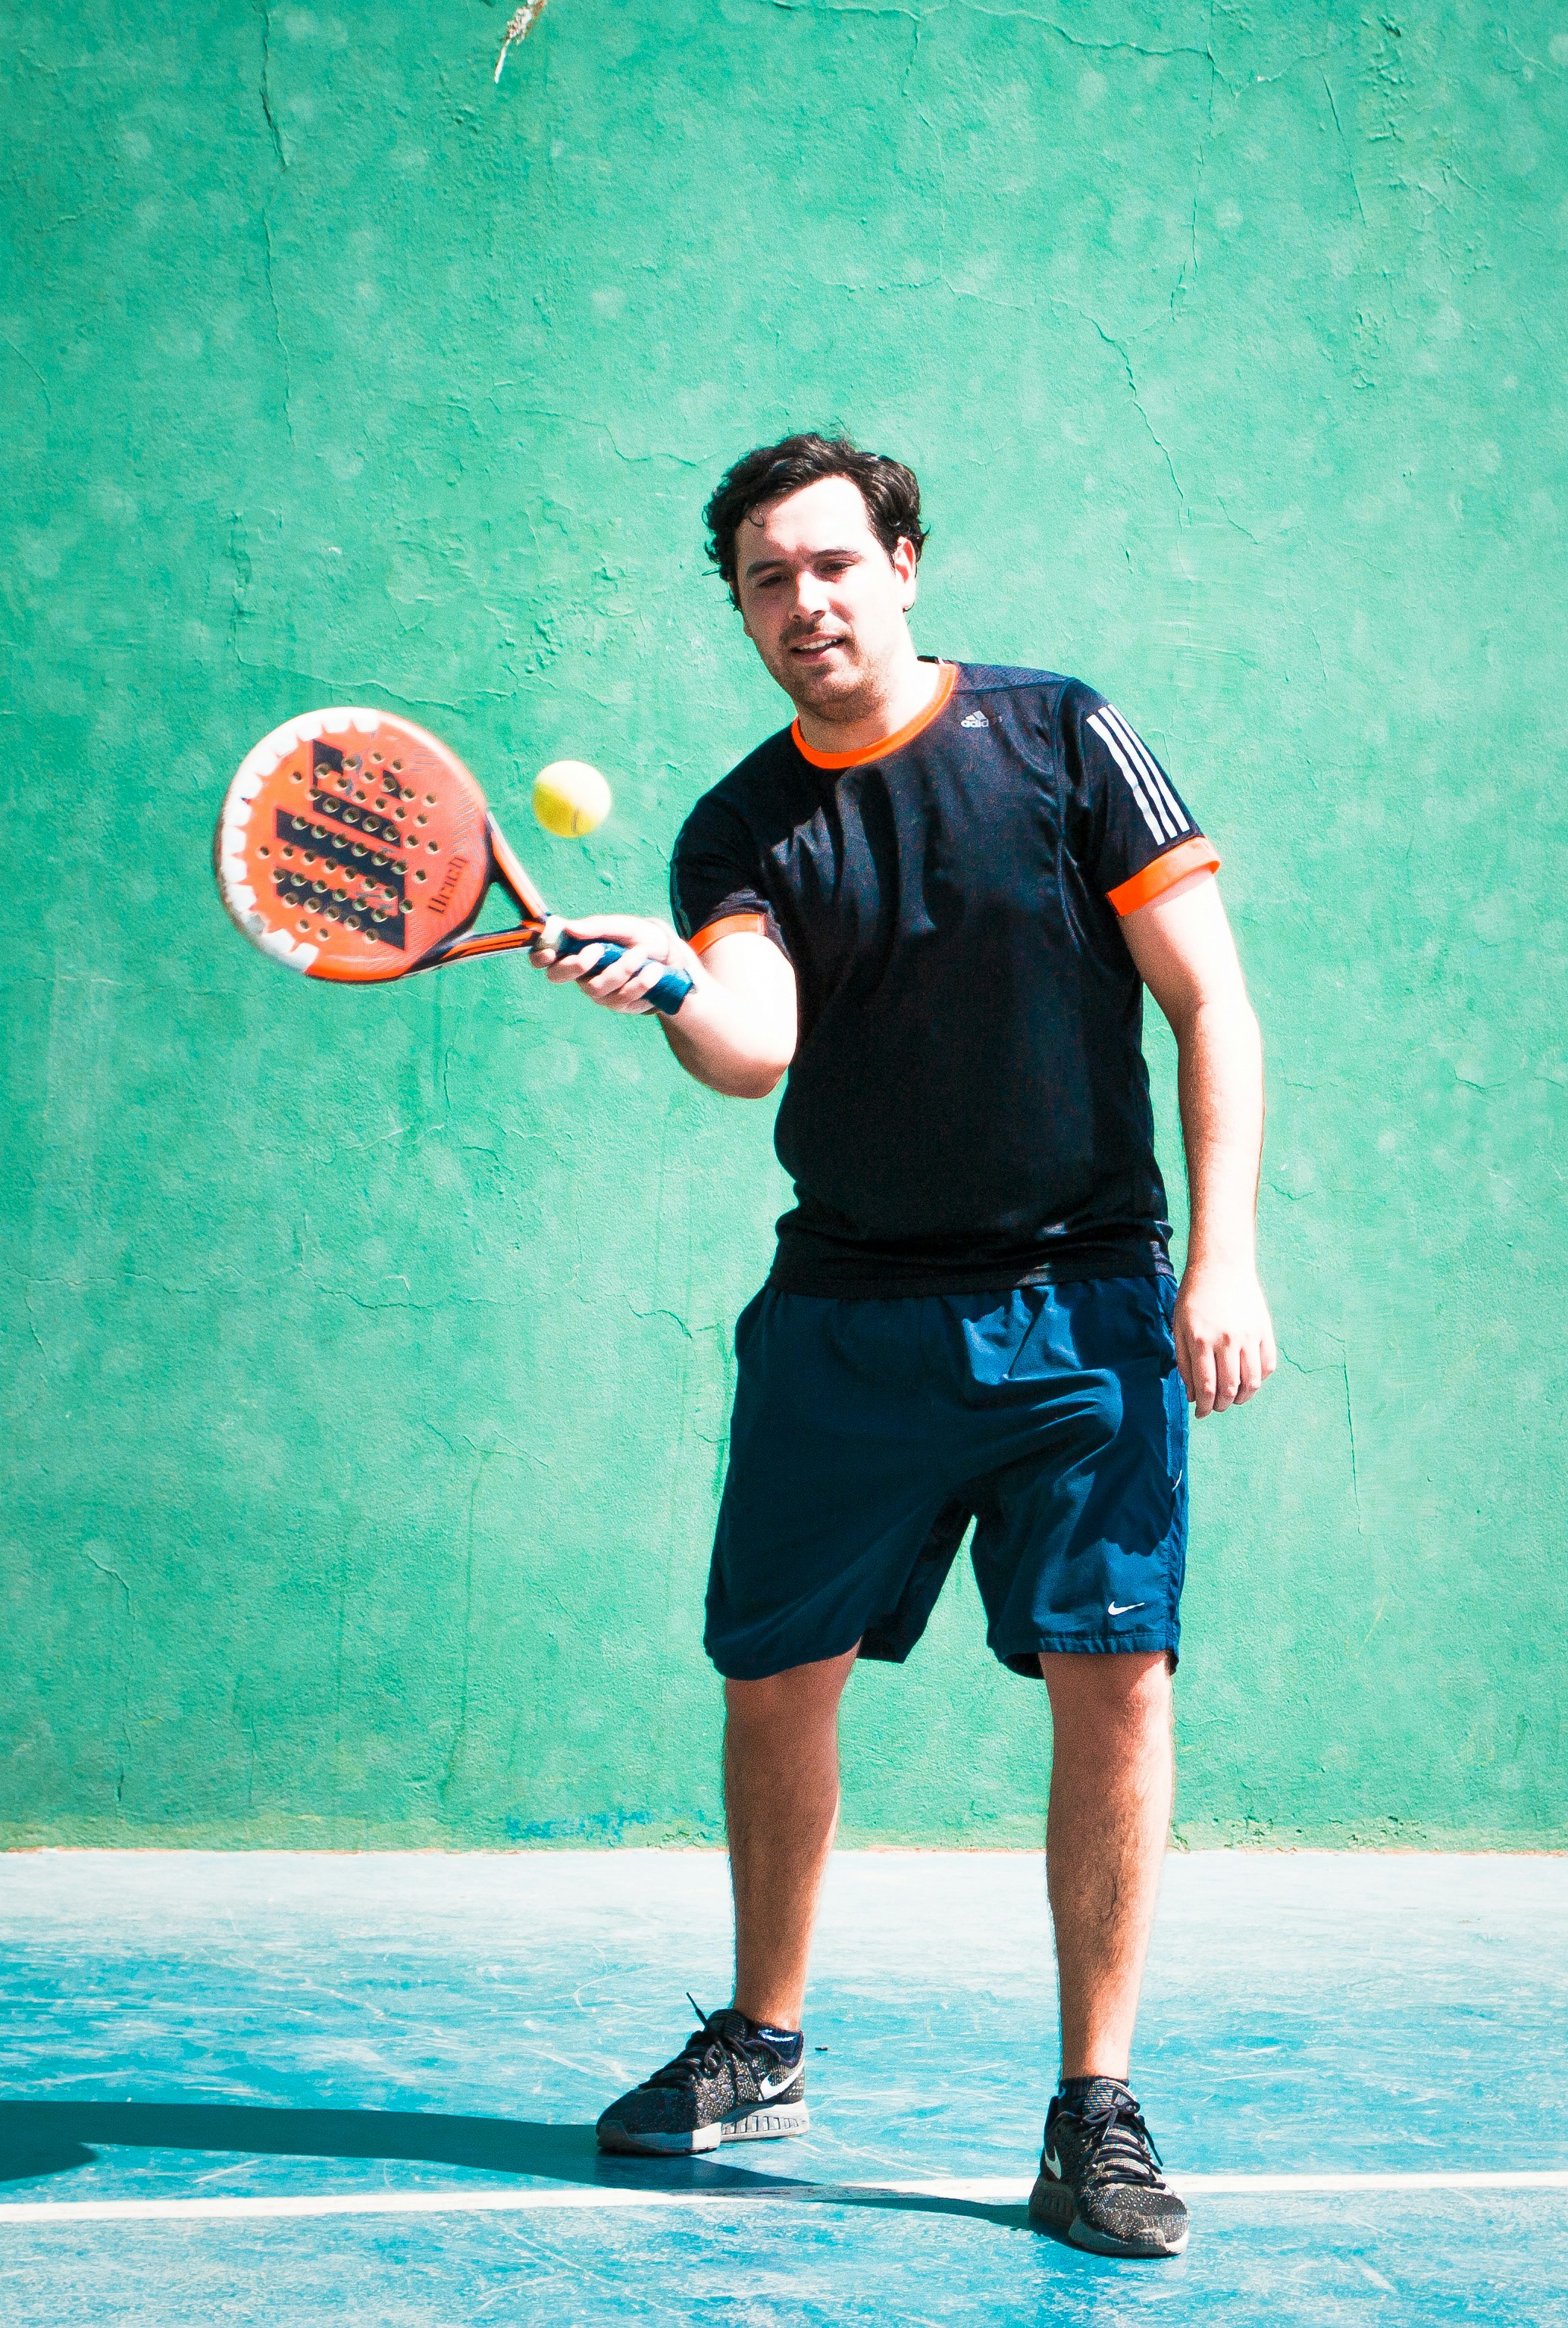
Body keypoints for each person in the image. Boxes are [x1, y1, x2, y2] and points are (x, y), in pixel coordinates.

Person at [533, 432, 1275, 2260]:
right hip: (849, 1317)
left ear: (906, 564)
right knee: (775, 1677)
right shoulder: (741, 829)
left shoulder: (1061, 737)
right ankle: (761, 2044)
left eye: (833, 565)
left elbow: (1211, 1001)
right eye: (766, 581)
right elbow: (755, 1046)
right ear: (741, 611)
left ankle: (1095, 2111)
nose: (805, 603)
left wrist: (1224, 1259)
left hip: (1082, 1303)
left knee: (1119, 1679)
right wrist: (672, 982)